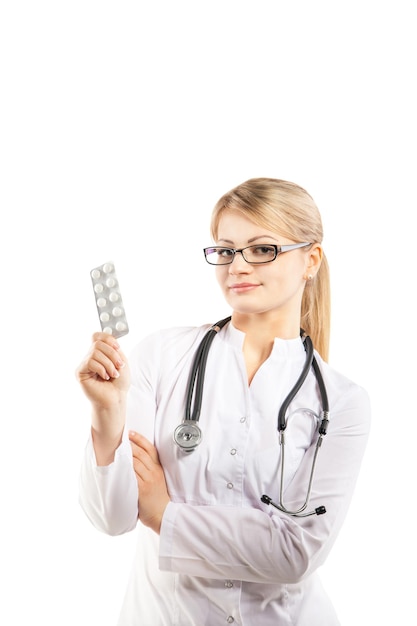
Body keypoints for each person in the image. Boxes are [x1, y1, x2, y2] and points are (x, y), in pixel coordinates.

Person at [76, 177, 371, 626]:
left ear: (310, 260)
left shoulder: (342, 403)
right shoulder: (161, 357)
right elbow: (113, 517)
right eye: (226, 249)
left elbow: (294, 554)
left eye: (261, 249)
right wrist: (106, 413)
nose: (237, 266)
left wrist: (165, 514)